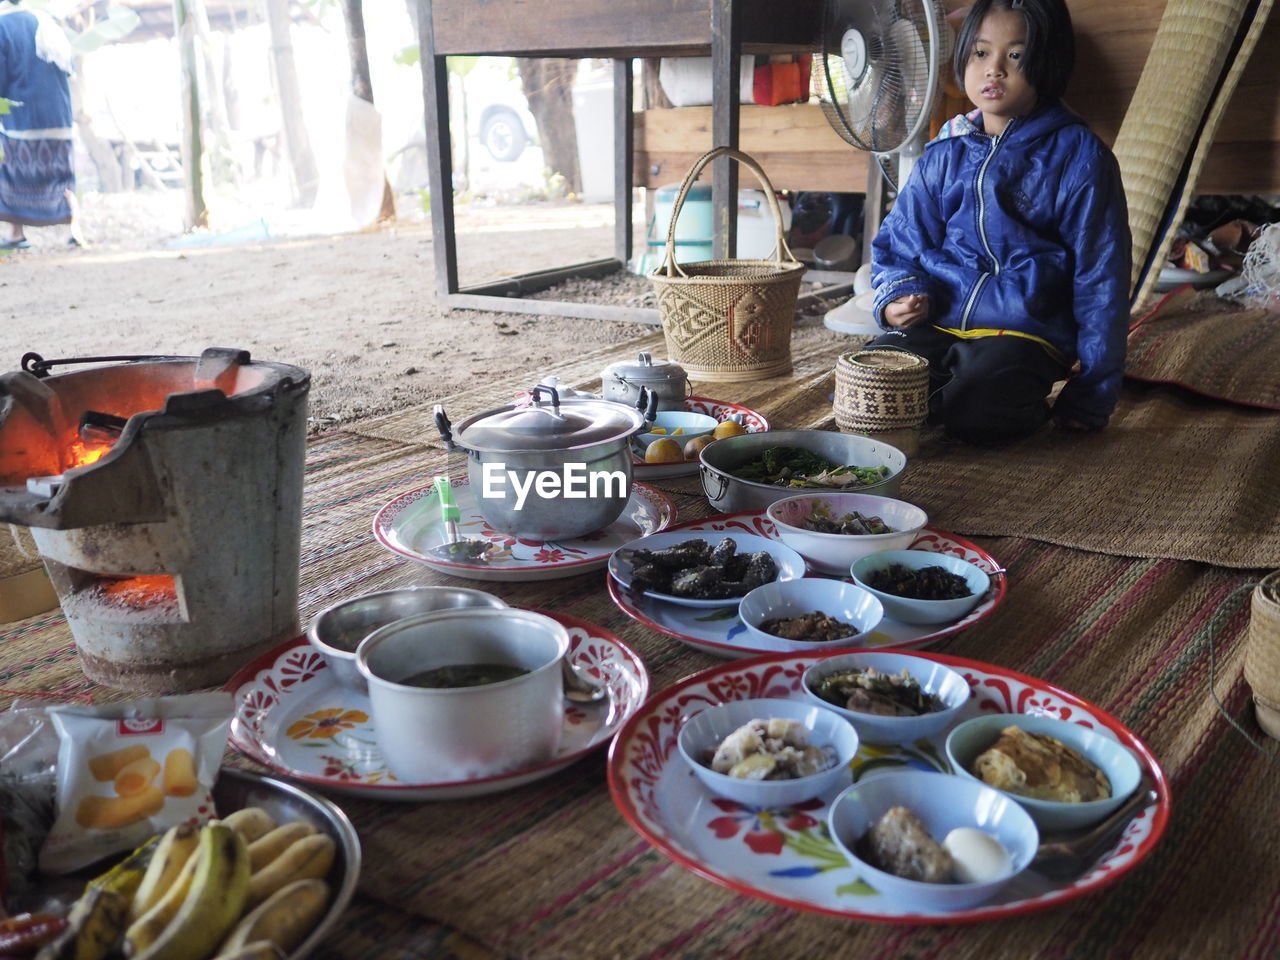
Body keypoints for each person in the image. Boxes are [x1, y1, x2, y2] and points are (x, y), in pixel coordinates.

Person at [867, 0, 1131, 446]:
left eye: (1015, 55)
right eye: (981, 53)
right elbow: (900, 243)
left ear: (1047, 61)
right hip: (938, 322)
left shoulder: (1080, 157)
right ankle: (945, 394)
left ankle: (973, 400)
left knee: (978, 406)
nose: (994, 70)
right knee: (872, 379)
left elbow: (1101, 278)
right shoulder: (943, 151)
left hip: (1024, 332)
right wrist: (896, 296)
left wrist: (1092, 394)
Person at [0, 0, 82, 250]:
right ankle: (74, 230)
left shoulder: (3, 26)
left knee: (14, 174)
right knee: (61, 174)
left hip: (23, 117)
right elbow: (69, 68)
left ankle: (15, 234)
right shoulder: (46, 23)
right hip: (59, 116)